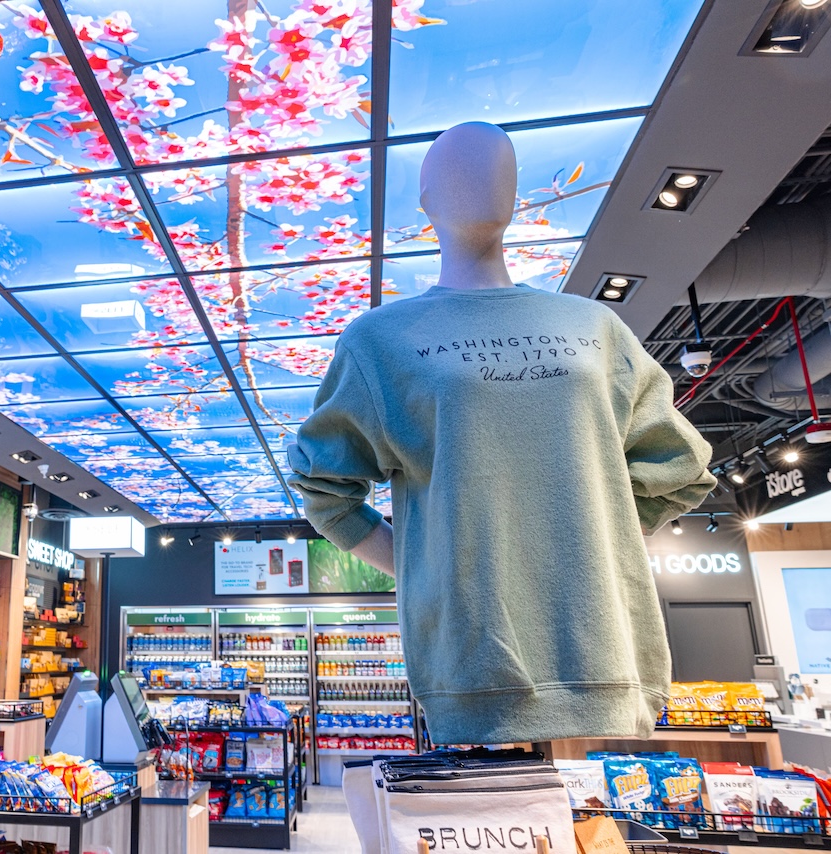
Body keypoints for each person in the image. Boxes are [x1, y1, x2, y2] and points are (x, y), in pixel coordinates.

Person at [288, 122, 715, 744]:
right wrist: (422, 565)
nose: (481, 183)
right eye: (457, 170)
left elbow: (677, 472)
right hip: (472, 664)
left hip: (607, 654)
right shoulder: (380, 340)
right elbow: (327, 492)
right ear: (426, 198)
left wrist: (592, 538)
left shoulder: (595, 328)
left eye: (499, 167)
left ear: (518, 193)